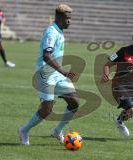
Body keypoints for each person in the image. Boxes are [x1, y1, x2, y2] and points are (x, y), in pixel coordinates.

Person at [18, 4, 79, 145]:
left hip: (56, 74)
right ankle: (24, 130)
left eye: (70, 18)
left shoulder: (59, 31)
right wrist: (63, 71)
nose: (69, 21)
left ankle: (57, 131)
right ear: (59, 17)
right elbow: (46, 56)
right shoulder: (51, 33)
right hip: (44, 74)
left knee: (74, 102)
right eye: (67, 18)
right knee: (47, 110)